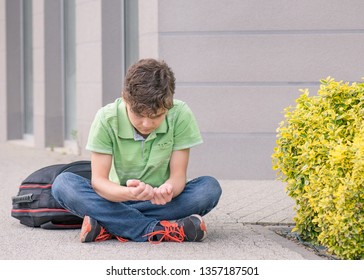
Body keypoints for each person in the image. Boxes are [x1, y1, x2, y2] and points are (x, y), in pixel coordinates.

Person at [52, 58, 222, 243]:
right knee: (63, 184)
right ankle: (156, 229)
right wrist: (130, 194)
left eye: (157, 116)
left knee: (209, 189)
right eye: (139, 115)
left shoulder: (180, 114)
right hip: (115, 199)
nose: (147, 124)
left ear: (169, 103)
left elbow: (178, 175)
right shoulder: (106, 118)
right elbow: (99, 182)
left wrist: (169, 189)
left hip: (161, 202)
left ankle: (111, 224)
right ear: (125, 99)